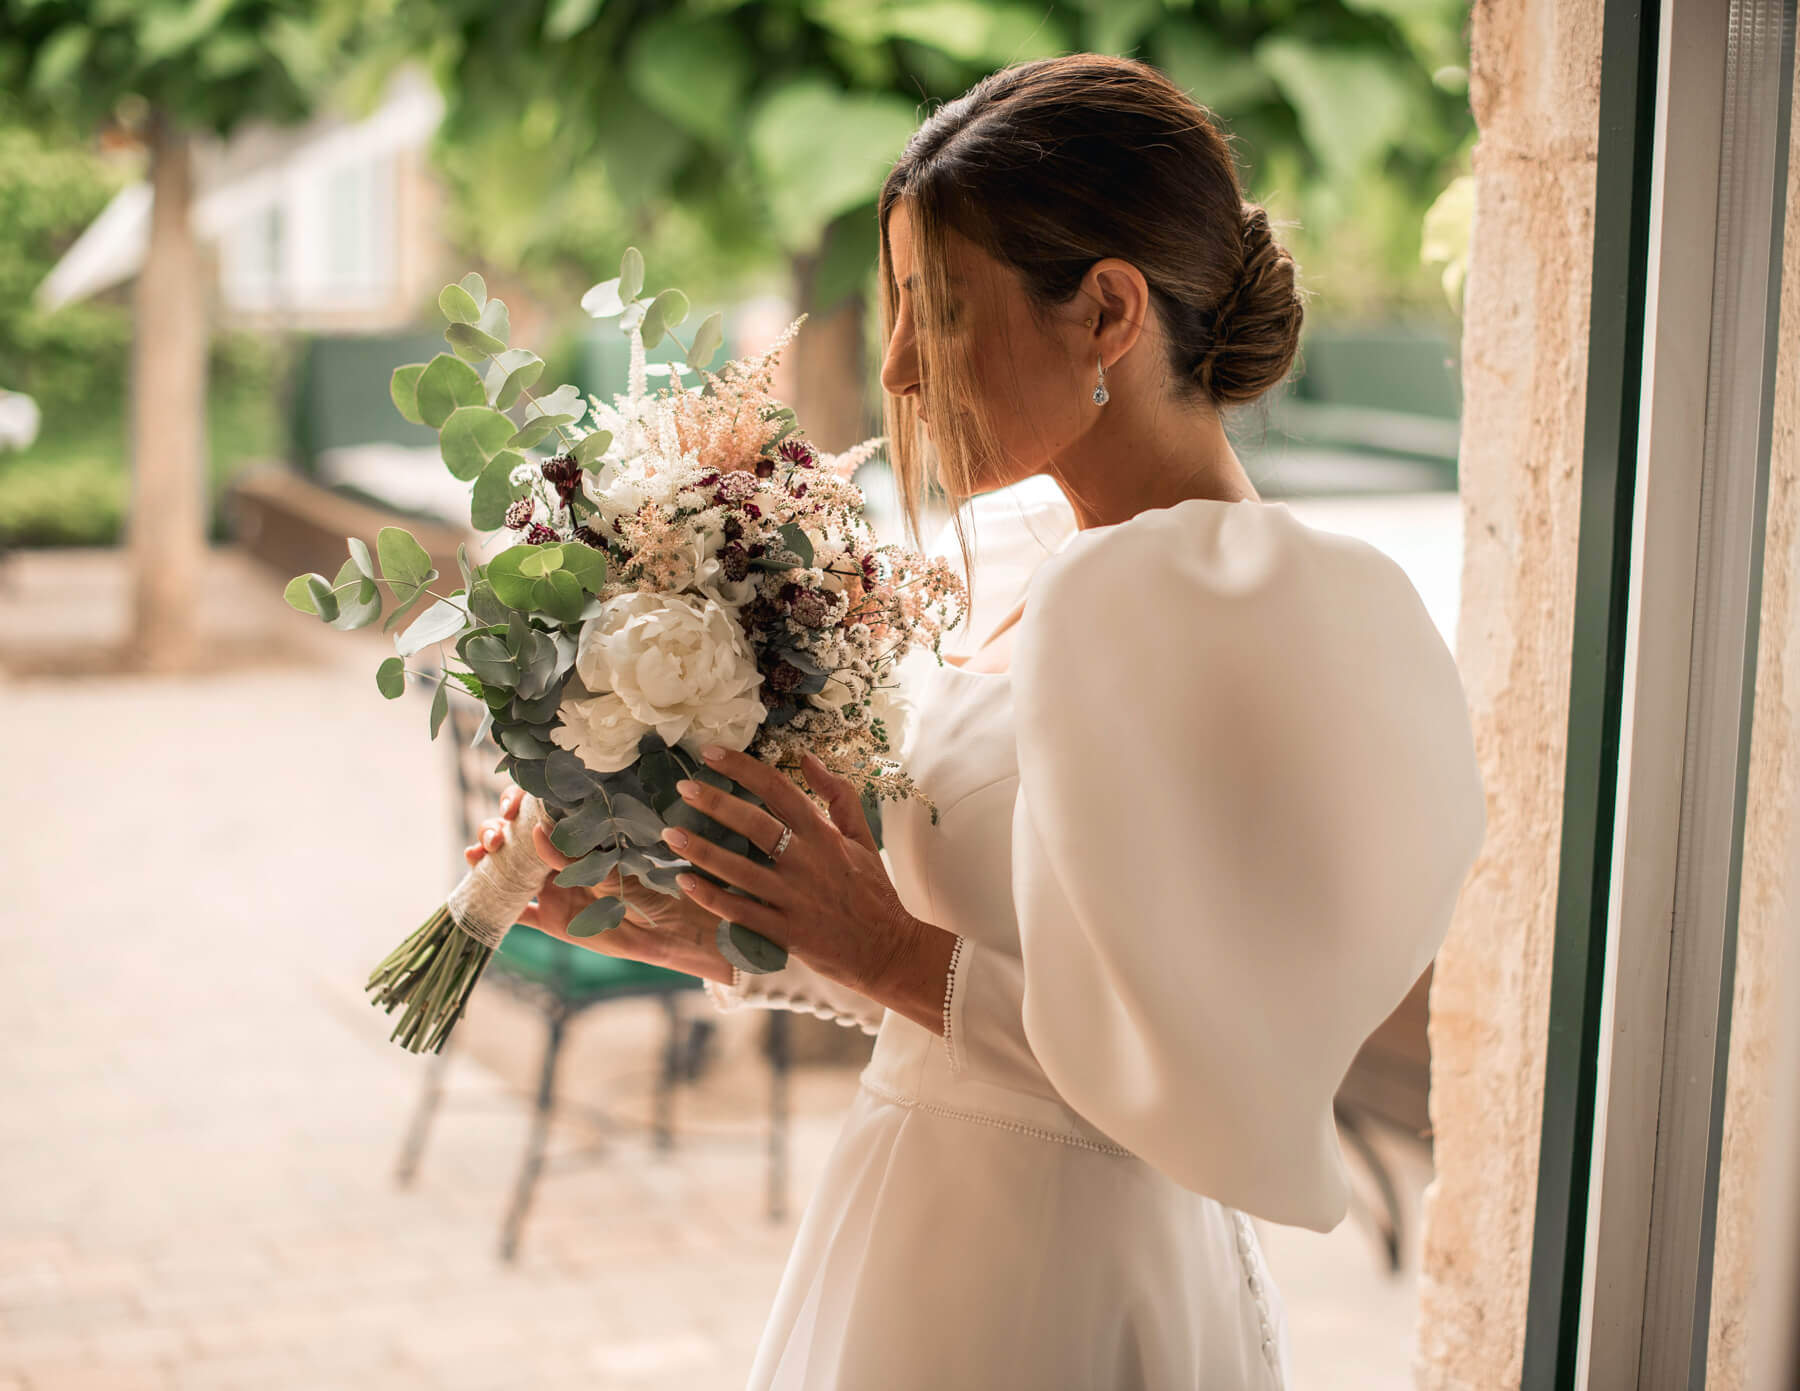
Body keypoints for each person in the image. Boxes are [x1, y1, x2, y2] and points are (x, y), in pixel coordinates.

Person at [467, 52, 1487, 1390]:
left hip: (1062, 1277)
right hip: (927, 1217)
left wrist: (878, 942)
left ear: (1107, 311)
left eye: (938, 311)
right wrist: (737, 927)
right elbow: (989, 976)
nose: (895, 364)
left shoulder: (1252, 606)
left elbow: (1194, 1070)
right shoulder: (1042, 569)